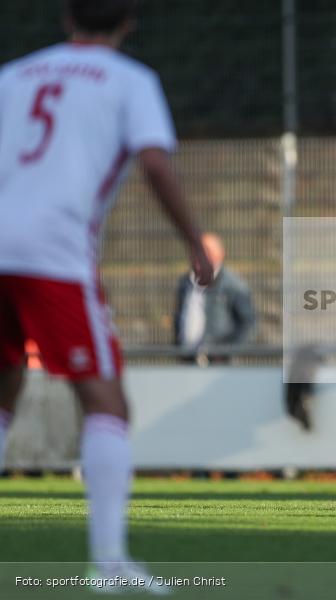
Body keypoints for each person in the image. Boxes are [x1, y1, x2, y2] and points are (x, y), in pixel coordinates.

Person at [0, 0, 213, 590]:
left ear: (67, 19)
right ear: (129, 22)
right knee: (106, 404)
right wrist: (194, 240)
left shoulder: (13, 75)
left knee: (6, 383)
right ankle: (111, 566)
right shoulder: (131, 81)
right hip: (53, 256)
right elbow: (154, 163)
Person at [174, 232, 256, 359]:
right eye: (196, 250)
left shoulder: (234, 285)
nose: (199, 255)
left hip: (218, 364)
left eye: (206, 251)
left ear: (219, 254)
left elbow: (248, 324)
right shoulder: (185, 283)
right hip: (188, 361)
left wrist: (226, 353)